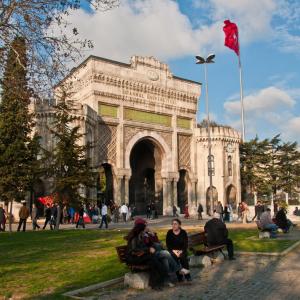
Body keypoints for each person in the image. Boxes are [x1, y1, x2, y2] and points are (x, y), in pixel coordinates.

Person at [126, 222, 169, 290]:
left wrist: (150, 246)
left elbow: (145, 246)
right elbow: (134, 250)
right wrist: (148, 249)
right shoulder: (134, 238)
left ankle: (154, 283)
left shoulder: (140, 236)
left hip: (141, 256)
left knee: (153, 261)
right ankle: (160, 278)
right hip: (133, 258)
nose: (145, 231)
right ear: (141, 230)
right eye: (144, 229)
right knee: (153, 259)